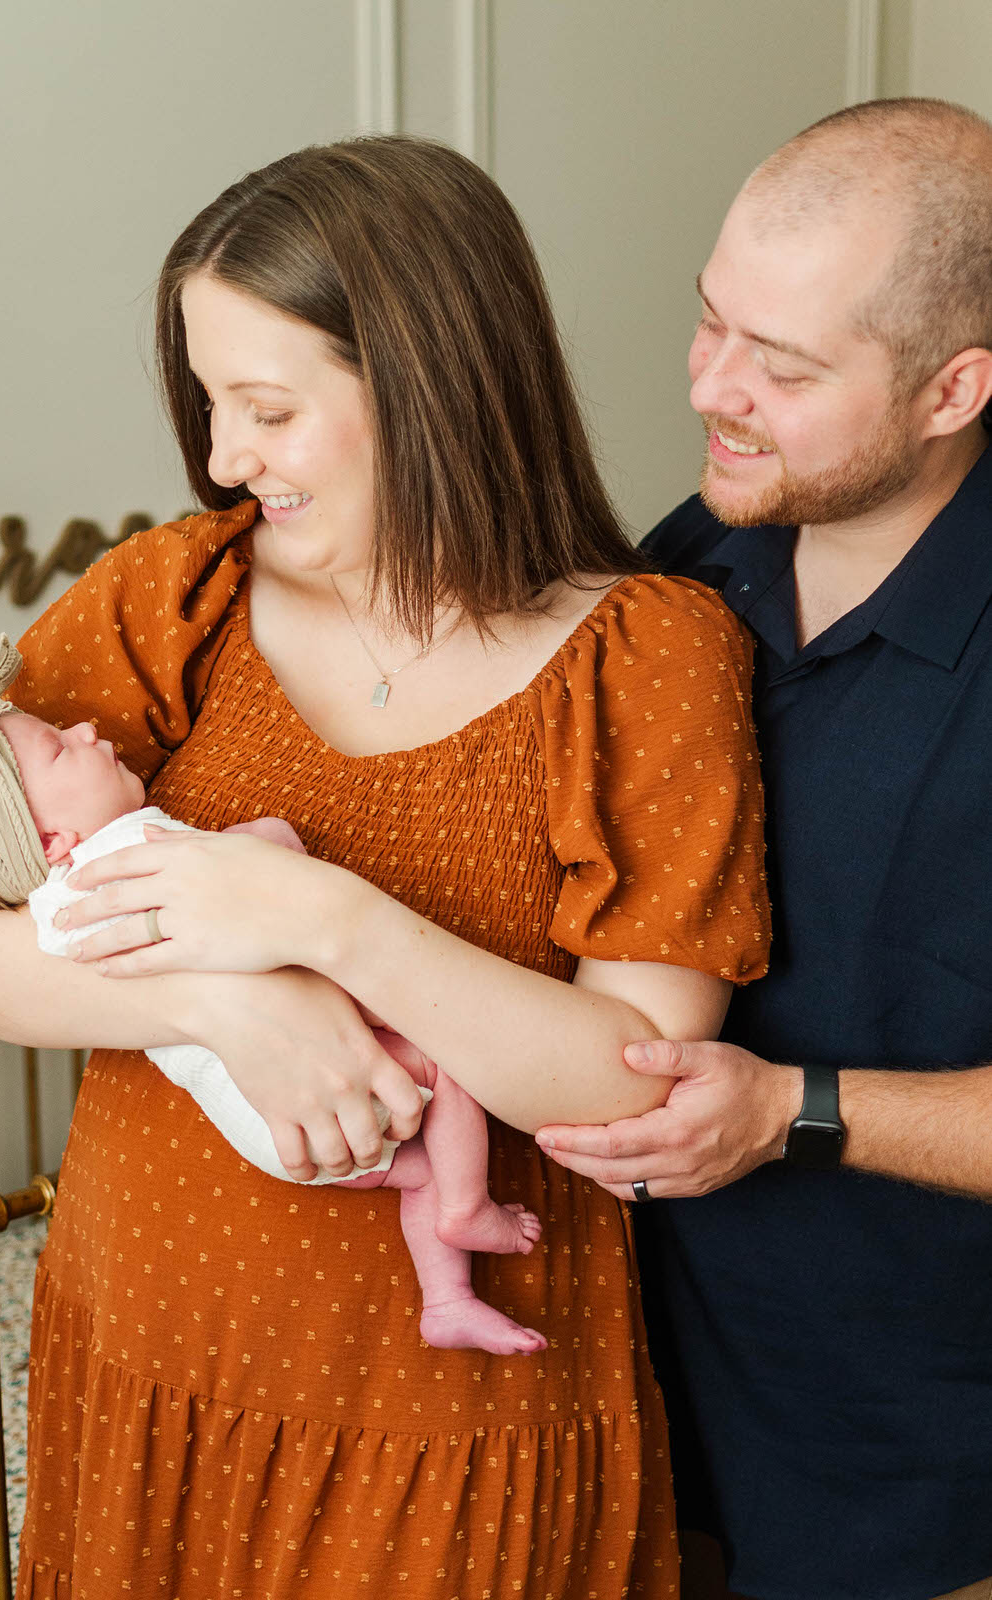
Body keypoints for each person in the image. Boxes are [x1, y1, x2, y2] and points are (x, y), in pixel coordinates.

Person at [0, 136, 769, 1597]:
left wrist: (323, 917)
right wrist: (227, 1007)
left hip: (451, 1414)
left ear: (433, 386)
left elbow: (631, 1079)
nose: (219, 458)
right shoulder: (171, 594)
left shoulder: (645, 653)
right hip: (146, 1360)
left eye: (265, 408)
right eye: (206, 403)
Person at [536, 98, 992, 1600]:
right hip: (645, 1425)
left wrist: (792, 1112)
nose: (711, 389)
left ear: (951, 390)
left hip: (917, 1496)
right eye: (707, 323)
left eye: (781, 367)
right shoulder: (697, 555)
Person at [0, 647, 545, 1357]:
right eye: (61, 751)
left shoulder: (53, 914)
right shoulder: (132, 850)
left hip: (271, 1135)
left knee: (419, 1170)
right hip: (305, 1088)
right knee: (451, 1063)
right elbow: (263, 875)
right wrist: (271, 842)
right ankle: (467, 1210)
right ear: (52, 840)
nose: (89, 731)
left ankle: (446, 1300)